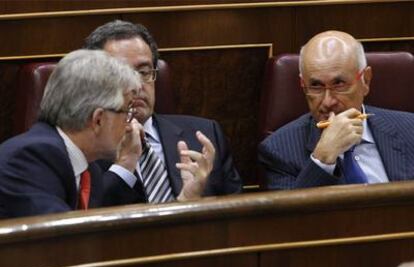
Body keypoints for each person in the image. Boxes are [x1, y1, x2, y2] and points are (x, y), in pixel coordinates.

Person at [0, 49, 211, 218]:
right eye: (127, 111)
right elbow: (65, 249)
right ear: (98, 119)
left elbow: (108, 235)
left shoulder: (87, 167)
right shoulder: (32, 157)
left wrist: (184, 200)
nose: (131, 124)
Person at [84, 20, 242, 204]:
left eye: (144, 72)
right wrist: (123, 166)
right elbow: (82, 220)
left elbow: (238, 220)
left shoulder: (206, 135)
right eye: (121, 74)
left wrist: (191, 202)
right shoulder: (82, 148)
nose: (136, 85)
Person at [259, 30, 414, 190]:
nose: (328, 102)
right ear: (303, 85)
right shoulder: (279, 151)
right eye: (316, 86)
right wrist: (322, 160)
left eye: (339, 84)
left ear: (365, 80)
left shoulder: (410, 130)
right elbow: (290, 215)